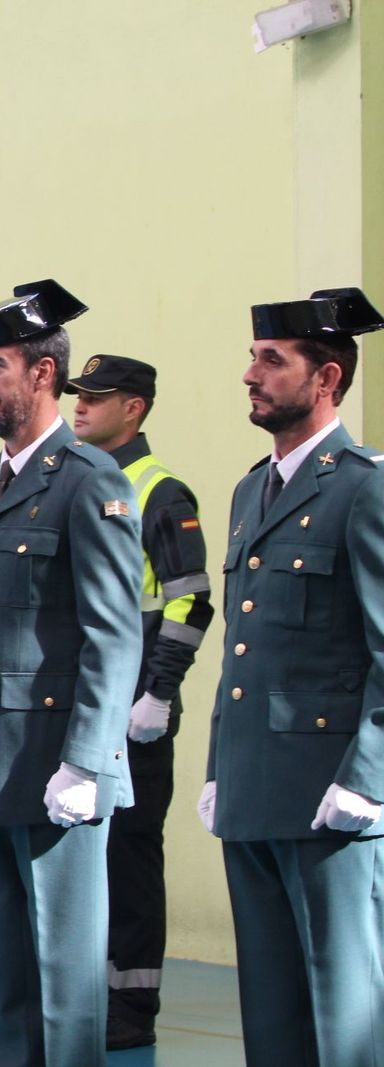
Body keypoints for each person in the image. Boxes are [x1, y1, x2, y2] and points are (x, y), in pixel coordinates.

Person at [0, 279, 143, 1067]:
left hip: (59, 767)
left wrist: (87, 761)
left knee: (63, 982)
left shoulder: (89, 478)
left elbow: (113, 634)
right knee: (3, 978)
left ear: (41, 374)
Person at [201, 287, 384, 1067]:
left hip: (329, 793)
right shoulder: (251, 490)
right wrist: (219, 766)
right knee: (271, 1008)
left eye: (272, 360)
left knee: (344, 1012)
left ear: (327, 378)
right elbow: (245, 644)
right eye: (253, 357)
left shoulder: (364, 486)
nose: (251, 373)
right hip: (255, 788)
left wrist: (368, 779)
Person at [64, 354, 216, 1049]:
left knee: (129, 853)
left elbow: (190, 596)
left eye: (97, 399)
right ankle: (90, 989)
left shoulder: (158, 489)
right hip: (82, 705)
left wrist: (160, 689)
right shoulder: (76, 480)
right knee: (83, 858)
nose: (81, 408)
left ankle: (134, 1003)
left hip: (134, 711)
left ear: (135, 408)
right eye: (79, 397)